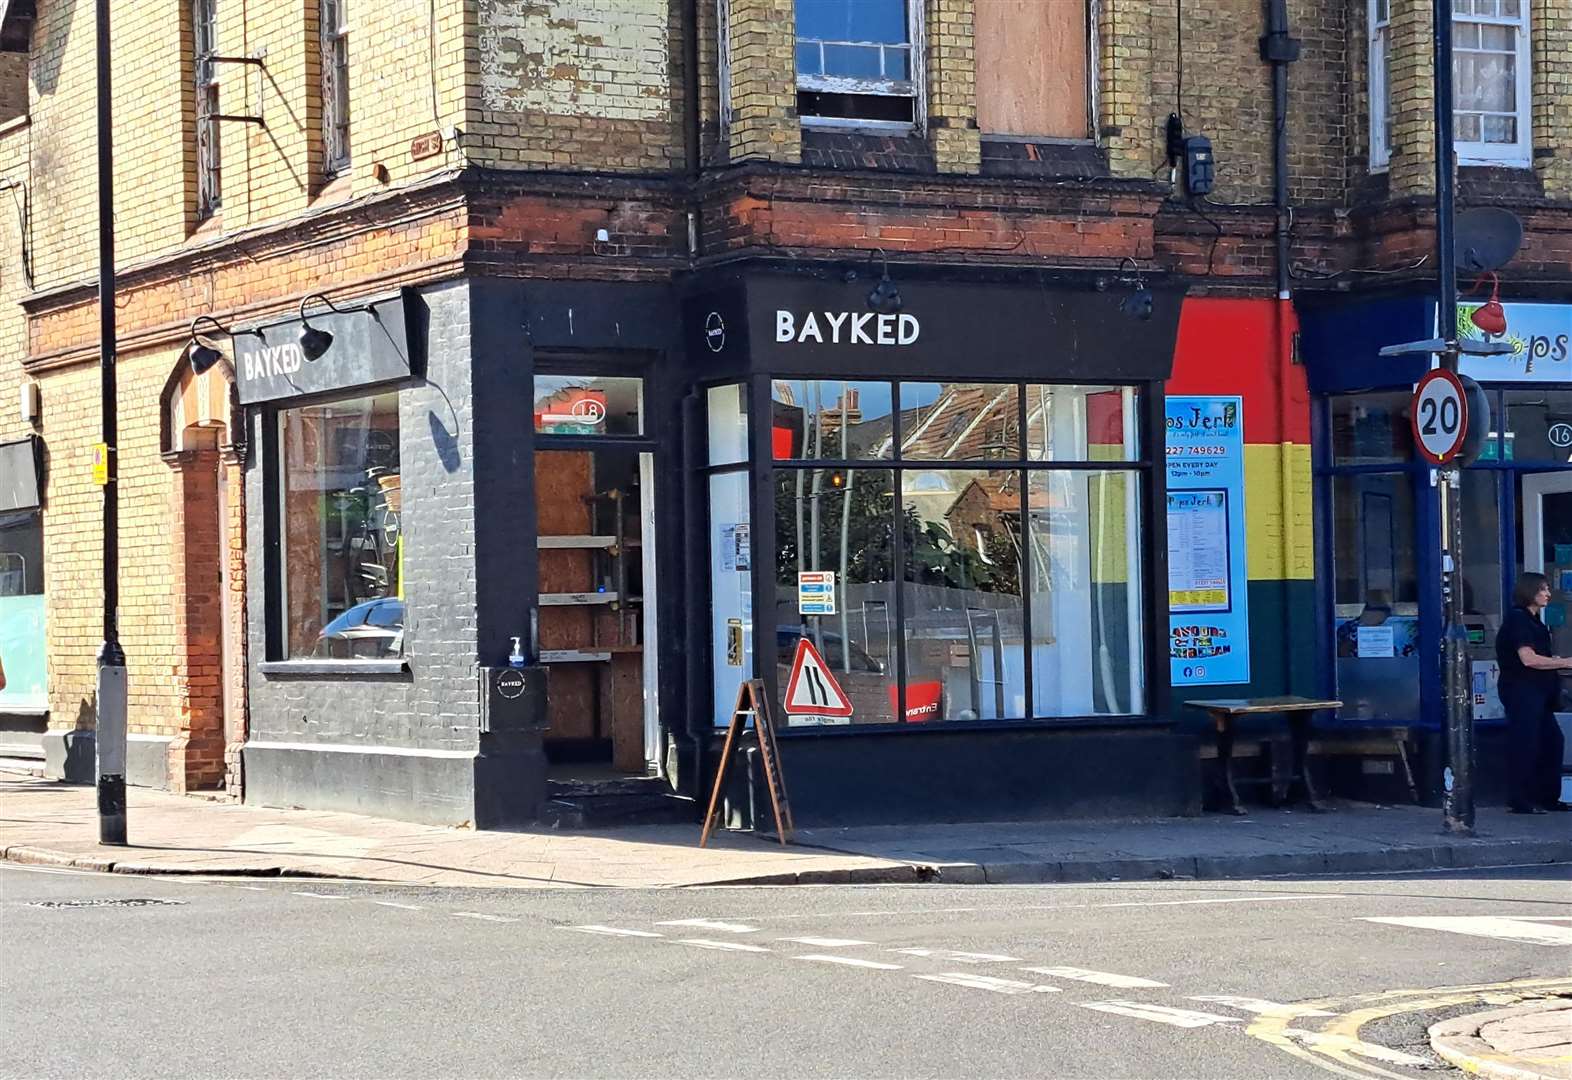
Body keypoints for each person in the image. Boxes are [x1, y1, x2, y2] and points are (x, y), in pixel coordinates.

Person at [1497, 572, 1572, 813]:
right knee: (1526, 742)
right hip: (1522, 690)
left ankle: (1547, 797)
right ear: (1529, 591)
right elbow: (1527, 659)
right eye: (1542, 589)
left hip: (1538, 692)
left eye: (1548, 588)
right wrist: (1565, 663)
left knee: (1551, 741)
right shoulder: (1519, 620)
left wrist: (1555, 661)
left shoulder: (1535, 621)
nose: (1548, 594)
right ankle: (1521, 799)